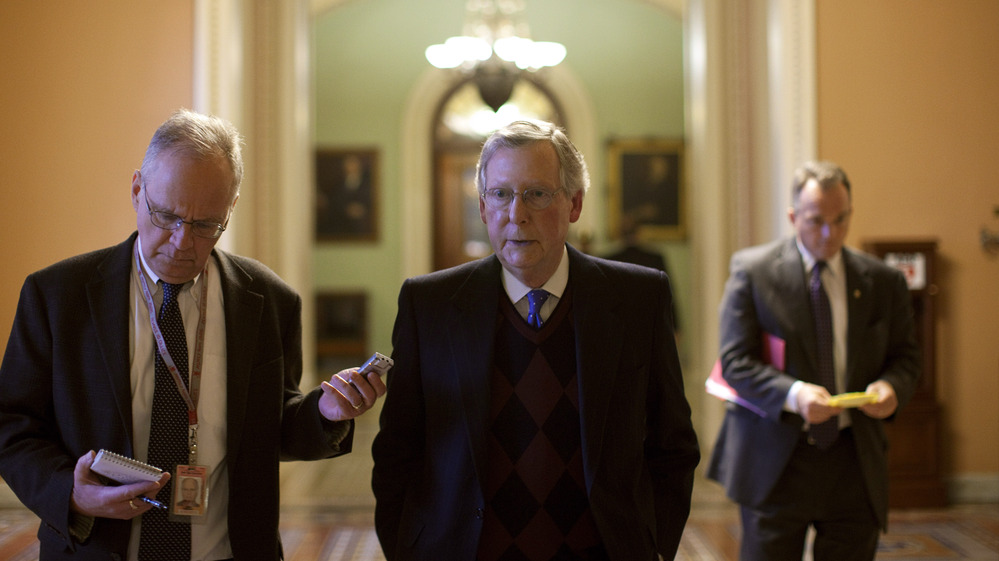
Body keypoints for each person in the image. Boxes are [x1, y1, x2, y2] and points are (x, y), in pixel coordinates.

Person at [0, 109, 386, 560]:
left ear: (231, 208)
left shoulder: (268, 300)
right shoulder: (58, 296)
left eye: (206, 225)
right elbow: (12, 424)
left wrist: (325, 413)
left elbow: (272, 428)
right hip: (97, 548)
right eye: (166, 216)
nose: (183, 242)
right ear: (137, 190)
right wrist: (69, 491)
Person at [371, 120, 700, 560]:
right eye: (500, 194)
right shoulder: (429, 304)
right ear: (484, 209)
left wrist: (653, 544)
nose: (516, 214)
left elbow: (672, 445)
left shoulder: (638, 298)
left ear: (575, 204)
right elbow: (398, 450)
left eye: (537, 194)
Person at [706, 161, 921, 561]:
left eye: (841, 220)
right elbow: (735, 362)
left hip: (854, 460)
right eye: (816, 220)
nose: (830, 233)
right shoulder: (754, 272)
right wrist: (795, 394)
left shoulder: (883, 282)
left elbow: (906, 358)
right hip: (777, 457)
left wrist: (892, 388)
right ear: (793, 217)